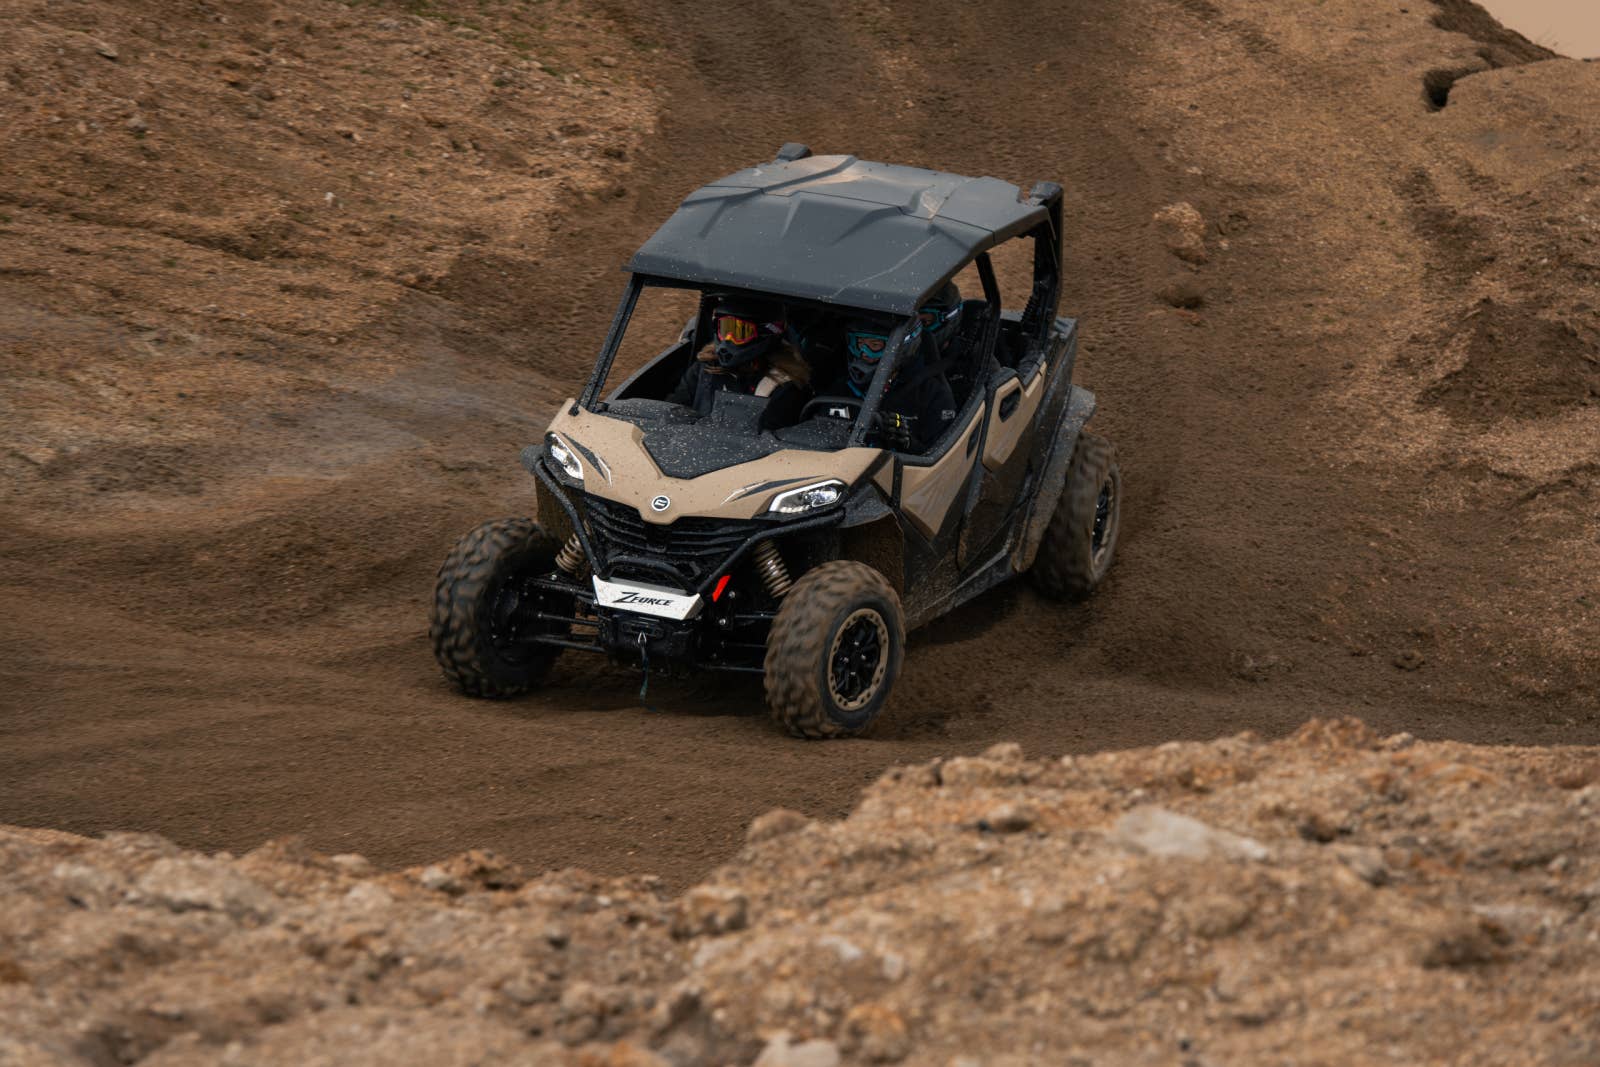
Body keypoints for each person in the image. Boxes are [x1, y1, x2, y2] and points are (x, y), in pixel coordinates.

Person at [666, 297, 811, 426]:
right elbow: (673, 410)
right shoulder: (706, 367)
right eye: (725, 330)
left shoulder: (785, 385)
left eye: (740, 332)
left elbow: (772, 439)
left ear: (766, 333)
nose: (728, 340)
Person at [828, 314, 958, 454]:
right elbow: (819, 433)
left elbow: (942, 456)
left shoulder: (932, 394)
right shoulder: (842, 387)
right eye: (860, 344)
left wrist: (907, 442)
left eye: (875, 345)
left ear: (901, 348)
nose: (864, 353)